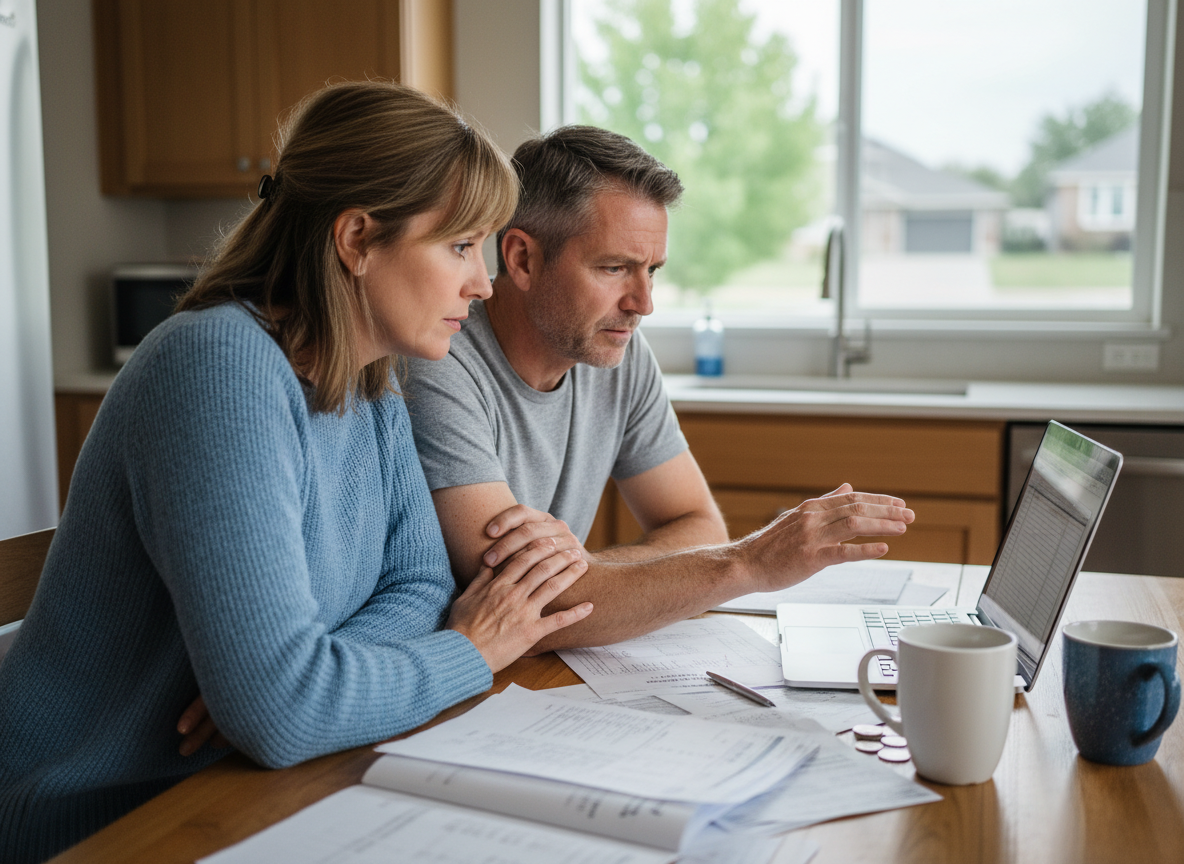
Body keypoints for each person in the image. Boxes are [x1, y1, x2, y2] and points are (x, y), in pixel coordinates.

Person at [0, 82, 591, 864]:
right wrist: (471, 652)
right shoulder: (219, 369)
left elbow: (417, 589)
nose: (482, 284)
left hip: (244, 783)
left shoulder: (370, 383)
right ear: (356, 240)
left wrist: (314, 677)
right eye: (458, 246)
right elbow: (284, 714)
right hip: (99, 821)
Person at [403, 125, 914, 651]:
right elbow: (532, 603)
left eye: (652, 271)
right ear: (522, 259)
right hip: (457, 684)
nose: (643, 303)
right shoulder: (439, 364)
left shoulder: (618, 352)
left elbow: (698, 525)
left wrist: (586, 569)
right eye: (615, 268)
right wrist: (749, 562)